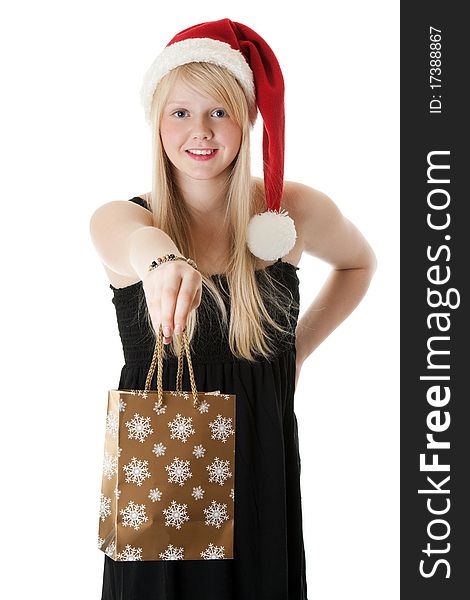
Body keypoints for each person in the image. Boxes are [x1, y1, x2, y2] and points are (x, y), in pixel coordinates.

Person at [90, 17, 377, 600]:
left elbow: (359, 263)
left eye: (219, 111)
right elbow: (134, 242)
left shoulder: (291, 213)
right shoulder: (125, 218)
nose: (200, 130)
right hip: (165, 485)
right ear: (156, 121)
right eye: (180, 112)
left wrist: (298, 351)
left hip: (260, 481)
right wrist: (162, 265)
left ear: (246, 117)